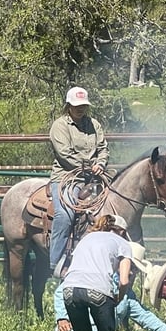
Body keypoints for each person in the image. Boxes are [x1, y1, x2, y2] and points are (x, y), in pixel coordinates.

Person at [52, 243, 166, 331]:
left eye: (135, 269)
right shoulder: (94, 277)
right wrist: (62, 318)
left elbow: (145, 318)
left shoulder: (127, 296)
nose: (132, 272)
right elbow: (60, 292)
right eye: (131, 266)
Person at [57, 213, 133, 331]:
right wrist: (119, 297)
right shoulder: (122, 244)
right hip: (98, 291)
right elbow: (124, 280)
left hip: (69, 290)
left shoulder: (87, 238)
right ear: (121, 231)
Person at [49, 86, 110, 275]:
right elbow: (64, 154)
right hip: (67, 177)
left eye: (83, 105)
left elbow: (103, 148)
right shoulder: (60, 126)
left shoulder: (94, 124)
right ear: (68, 105)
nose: (80, 109)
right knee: (65, 215)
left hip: (94, 176)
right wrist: (88, 166)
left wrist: (101, 163)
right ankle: (55, 263)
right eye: (77, 105)